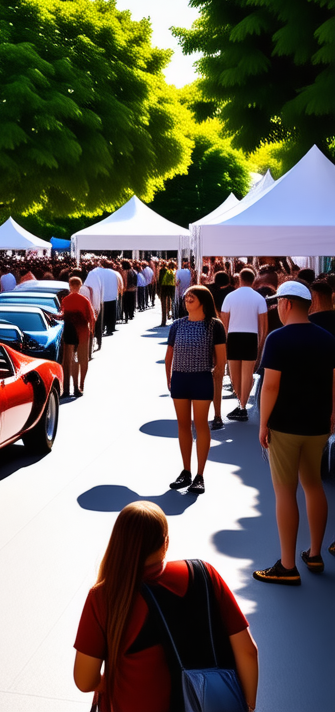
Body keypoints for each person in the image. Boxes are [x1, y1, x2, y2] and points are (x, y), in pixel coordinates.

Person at [73, 501, 258, 712]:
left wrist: (108, 682)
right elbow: (248, 651)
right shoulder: (204, 574)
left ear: (118, 543)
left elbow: (84, 680)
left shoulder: (104, 596)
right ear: (166, 543)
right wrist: (248, 705)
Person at [253, 281, 335, 585]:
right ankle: (314, 553)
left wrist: (263, 423)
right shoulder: (327, 339)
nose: (276, 308)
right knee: (313, 484)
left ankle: (287, 566)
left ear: (286, 303)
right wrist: (332, 415)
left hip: (285, 425)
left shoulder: (278, 338)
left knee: (285, 491)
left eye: (277, 303)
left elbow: (270, 386)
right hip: (317, 425)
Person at [164, 285, 226, 494]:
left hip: (201, 378)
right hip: (180, 378)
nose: (187, 299)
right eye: (186, 296)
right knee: (182, 425)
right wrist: (169, 378)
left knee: (200, 425)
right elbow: (169, 354)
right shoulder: (177, 325)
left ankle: (200, 475)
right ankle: (186, 471)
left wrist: (215, 378)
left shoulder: (214, 326)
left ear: (203, 300)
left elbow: (221, 359)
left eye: (192, 296)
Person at [220, 269, 268, 424]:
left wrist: (224, 343)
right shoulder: (259, 298)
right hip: (251, 337)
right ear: (253, 280)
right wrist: (260, 346)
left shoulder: (230, 297)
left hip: (233, 337)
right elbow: (264, 326)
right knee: (247, 374)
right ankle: (242, 406)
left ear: (239, 279)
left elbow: (224, 323)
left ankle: (241, 407)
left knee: (234, 375)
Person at [62, 276, 95, 397]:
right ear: (80, 286)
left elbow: (62, 314)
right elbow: (91, 317)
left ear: (70, 286)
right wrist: (91, 331)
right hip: (82, 332)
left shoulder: (66, 300)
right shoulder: (84, 300)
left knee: (68, 361)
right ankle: (80, 385)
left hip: (69, 331)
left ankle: (66, 388)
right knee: (82, 359)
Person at [157, 262, 176, 327]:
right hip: (172, 287)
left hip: (164, 287)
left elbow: (159, 280)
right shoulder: (174, 271)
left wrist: (159, 290)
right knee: (172, 302)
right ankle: (173, 317)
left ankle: (163, 321)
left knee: (163, 304)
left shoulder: (162, 271)